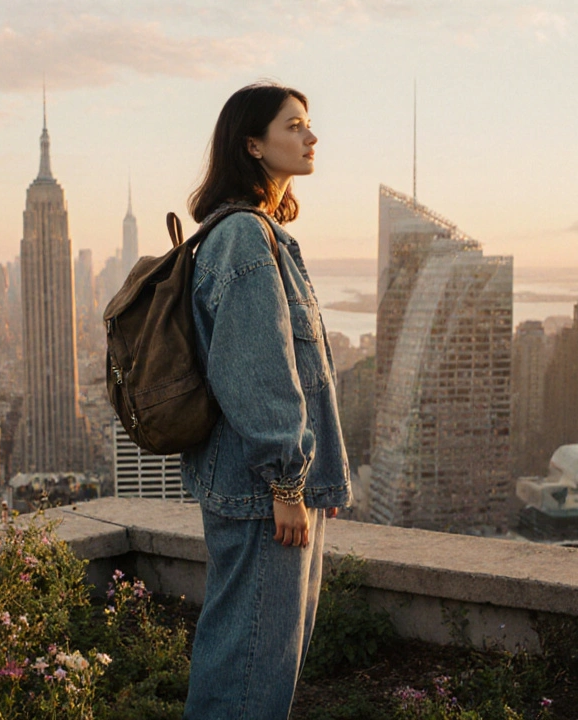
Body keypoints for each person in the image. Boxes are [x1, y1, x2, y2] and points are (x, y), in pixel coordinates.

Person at [180, 82, 352, 719]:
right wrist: (287, 483)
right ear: (253, 144)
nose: (311, 136)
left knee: (256, 656)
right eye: (295, 125)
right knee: (252, 666)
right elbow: (259, 371)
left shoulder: (259, 234)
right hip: (265, 491)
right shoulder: (246, 238)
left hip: (267, 486)